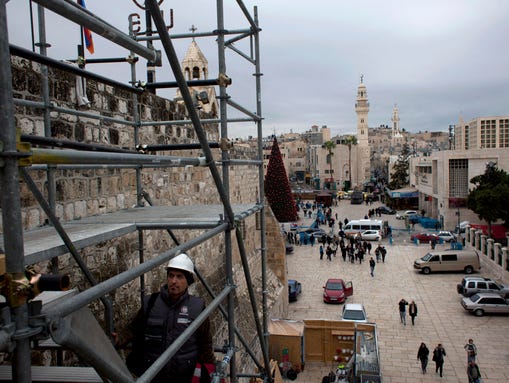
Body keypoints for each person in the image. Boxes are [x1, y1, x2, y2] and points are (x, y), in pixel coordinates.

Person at [128, 253, 216, 383]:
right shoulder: (151, 302)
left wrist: (211, 371)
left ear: (188, 281)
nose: (174, 281)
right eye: (171, 276)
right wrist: (118, 339)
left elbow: (205, 343)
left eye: (179, 277)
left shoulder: (197, 307)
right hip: (153, 375)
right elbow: (133, 329)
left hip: (184, 375)